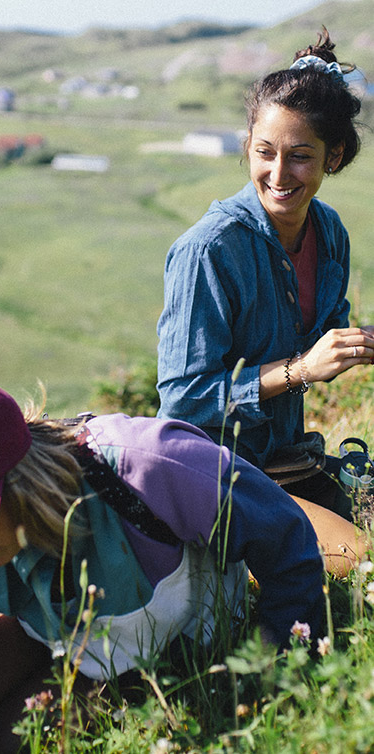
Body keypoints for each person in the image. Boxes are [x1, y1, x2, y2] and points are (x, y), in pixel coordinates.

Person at [0, 377, 354, 753]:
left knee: (352, 555)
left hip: (196, 626)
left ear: (22, 479)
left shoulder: (147, 465)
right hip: (81, 647)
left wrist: (278, 661)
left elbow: (282, 535)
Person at [156, 29, 374, 519]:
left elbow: (320, 339)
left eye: (299, 156)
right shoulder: (208, 251)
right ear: (248, 145)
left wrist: (353, 347)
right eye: (264, 152)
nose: (278, 175)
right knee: (358, 552)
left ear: (333, 156)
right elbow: (183, 399)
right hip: (207, 475)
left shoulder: (328, 231)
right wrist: (300, 371)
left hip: (284, 462)